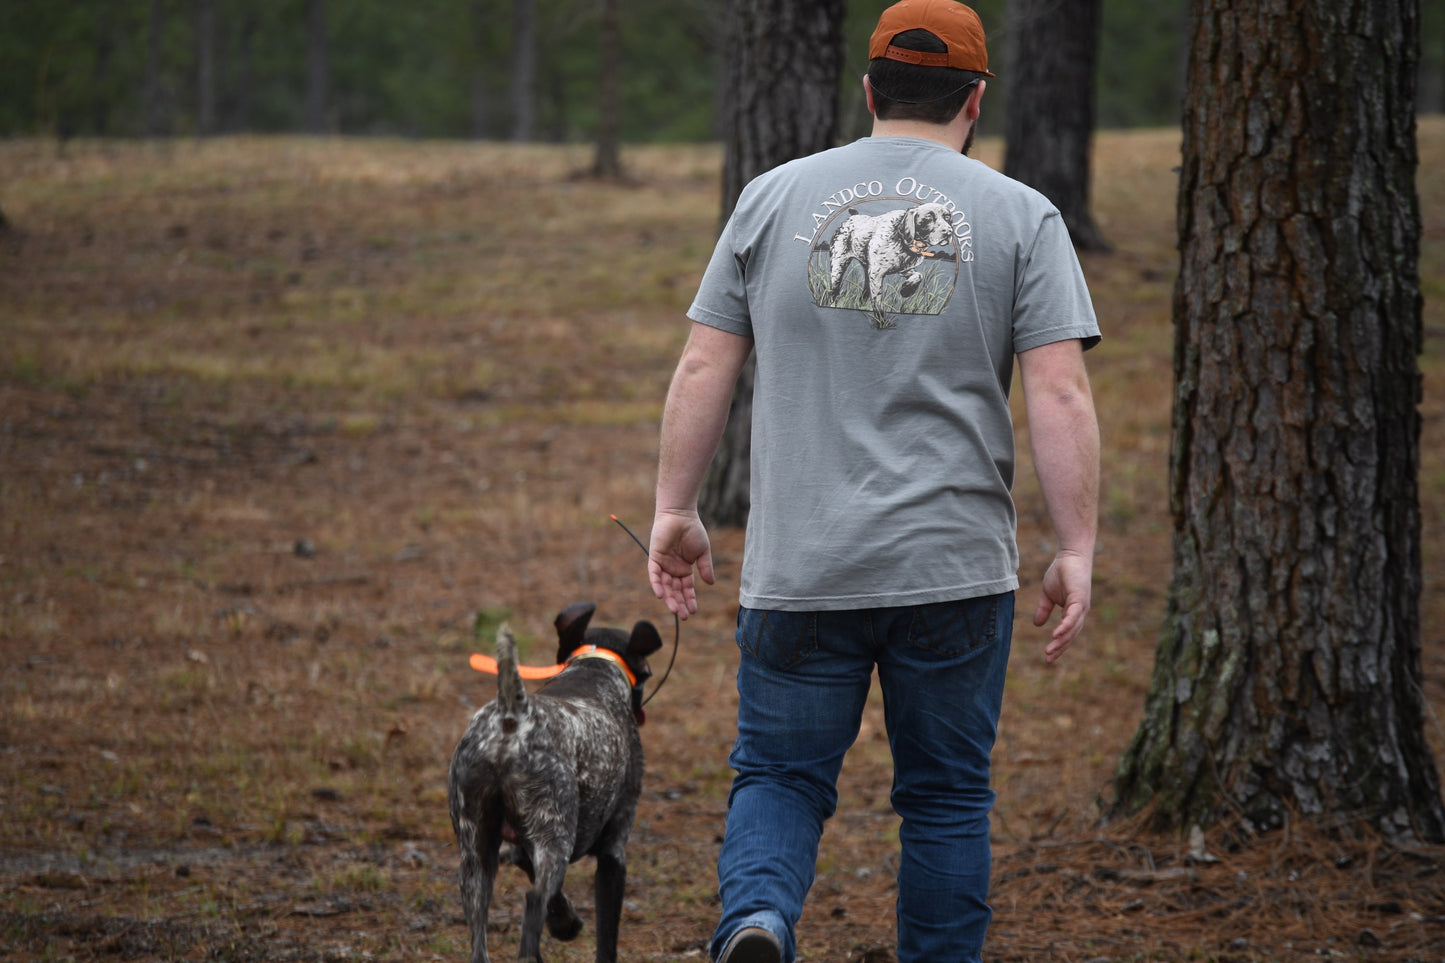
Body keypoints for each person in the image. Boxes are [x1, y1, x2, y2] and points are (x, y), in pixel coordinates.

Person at [648, 1, 1101, 960]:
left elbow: (702, 364)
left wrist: (675, 507)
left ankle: (758, 919)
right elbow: (1058, 391)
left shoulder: (770, 198)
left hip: (802, 565)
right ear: (974, 99)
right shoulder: (1022, 215)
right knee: (945, 797)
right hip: (953, 569)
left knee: (779, 775)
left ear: (868, 90)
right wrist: (1076, 547)